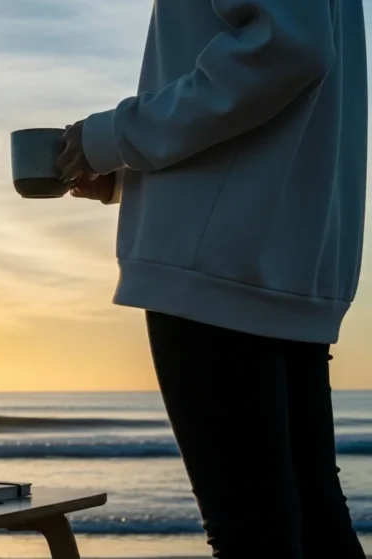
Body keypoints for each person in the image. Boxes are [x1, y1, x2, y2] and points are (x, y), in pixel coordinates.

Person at [55, 1, 367, 558]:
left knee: (256, 535)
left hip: (216, 270)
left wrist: (113, 136)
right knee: (311, 523)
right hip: (281, 254)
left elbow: (288, 48)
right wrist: (133, 175)